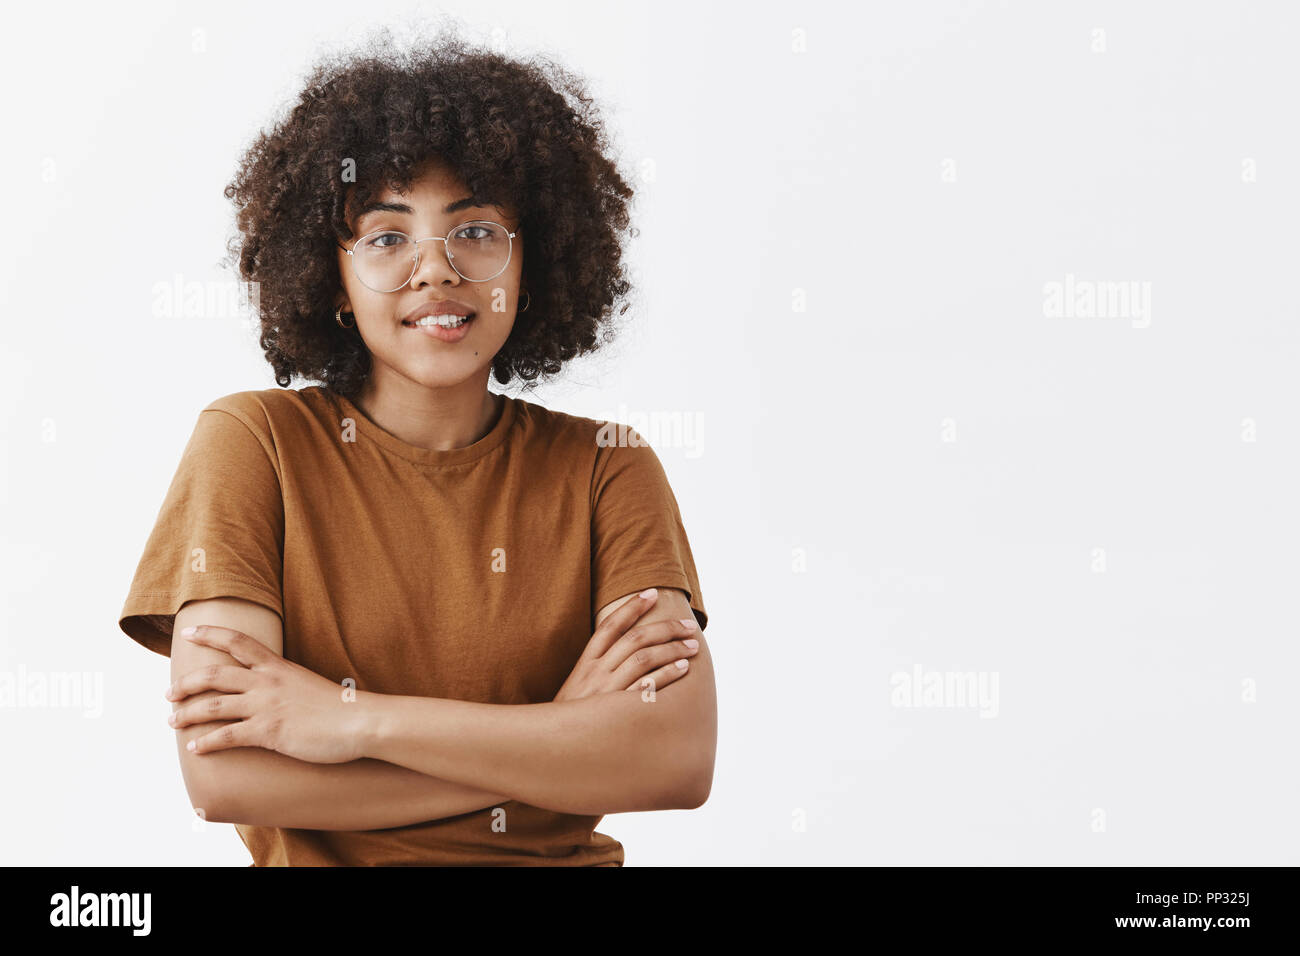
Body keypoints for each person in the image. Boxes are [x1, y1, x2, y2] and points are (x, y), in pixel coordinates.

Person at [117, 26, 715, 866]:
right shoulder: (254, 444)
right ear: (332, 277)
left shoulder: (609, 466)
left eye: (475, 231)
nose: (436, 271)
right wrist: (555, 743)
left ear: (531, 260)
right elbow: (229, 777)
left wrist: (352, 721)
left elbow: (674, 760)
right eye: (387, 237)